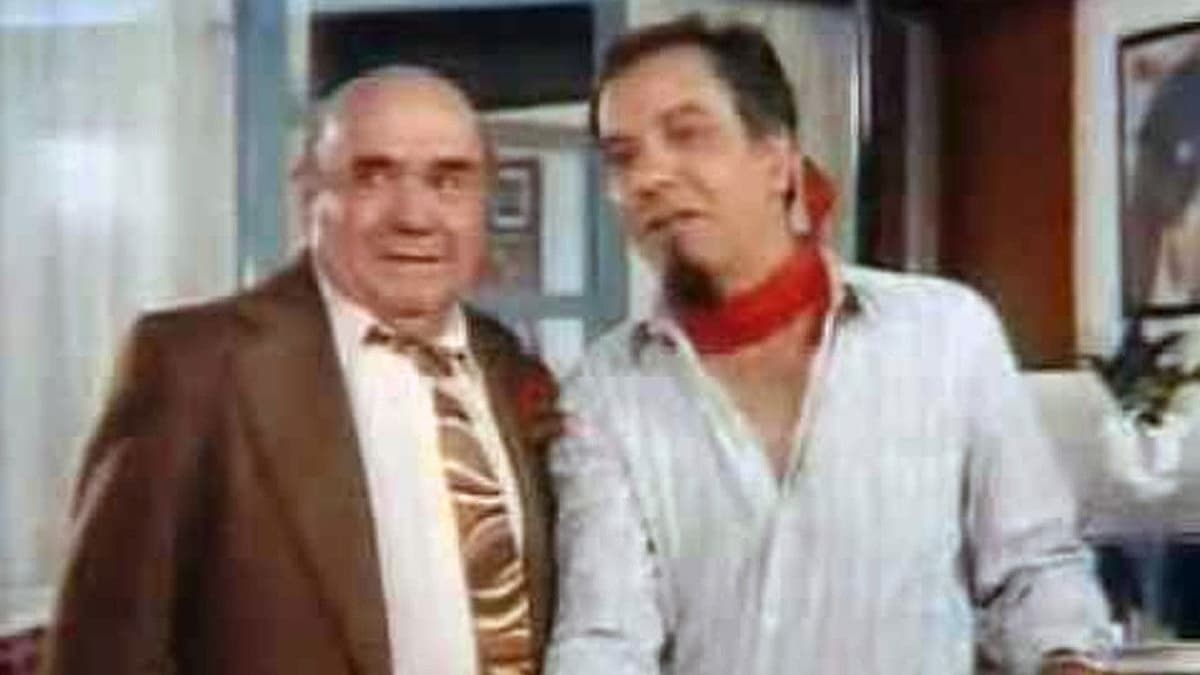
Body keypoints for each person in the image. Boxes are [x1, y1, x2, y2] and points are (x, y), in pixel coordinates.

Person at [546, 15, 1112, 675]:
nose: (649, 177)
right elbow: (605, 634)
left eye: (687, 134)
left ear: (777, 159)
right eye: (622, 157)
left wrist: (1067, 658)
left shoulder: (946, 334)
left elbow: (1034, 572)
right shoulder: (604, 391)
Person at [39, 66, 559, 675]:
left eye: (449, 181)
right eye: (373, 175)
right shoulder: (195, 366)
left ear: (483, 201)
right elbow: (100, 653)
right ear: (310, 193)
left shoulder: (506, 363)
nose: (415, 216)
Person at [1124, 50, 1200, 311]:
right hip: (1158, 147)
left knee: (1174, 223)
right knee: (1147, 228)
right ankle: (1140, 305)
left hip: (1175, 156)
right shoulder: (1185, 72)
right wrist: (1157, 68)